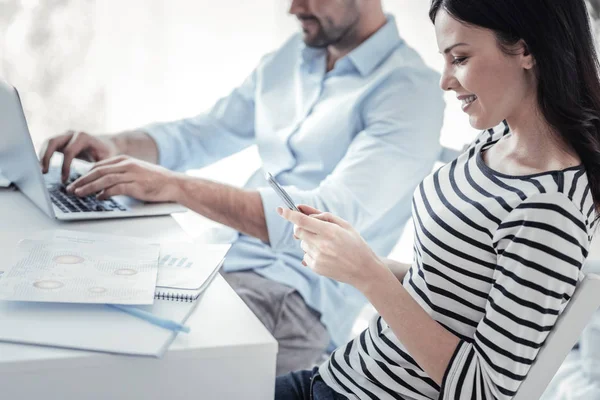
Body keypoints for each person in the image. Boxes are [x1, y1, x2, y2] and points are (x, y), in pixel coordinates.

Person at [39, 0, 444, 374]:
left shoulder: (409, 91)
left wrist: (175, 187)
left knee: (115, 367)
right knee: (70, 318)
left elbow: (323, 220)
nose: (293, 8)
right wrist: (115, 147)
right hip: (214, 261)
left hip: (289, 296)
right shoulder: (294, 58)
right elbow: (202, 133)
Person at [275, 0, 600, 398]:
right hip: (339, 375)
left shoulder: (550, 210)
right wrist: (359, 256)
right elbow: (448, 291)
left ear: (526, 49)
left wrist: (367, 275)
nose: (445, 81)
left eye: (460, 58)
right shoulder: (496, 139)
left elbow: (486, 390)